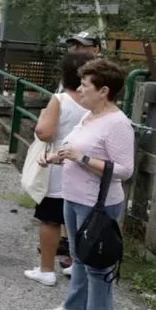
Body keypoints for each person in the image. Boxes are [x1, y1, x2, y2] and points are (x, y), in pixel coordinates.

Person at [38, 59, 134, 310]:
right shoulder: (89, 116)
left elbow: (124, 170)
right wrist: (56, 157)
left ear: (104, 90)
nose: (79, 90)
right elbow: (75, 147)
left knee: (97, 264)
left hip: (98, 203)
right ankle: (75, 308)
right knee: (79, 257)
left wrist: (81, 158)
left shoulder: (117, 123)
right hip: (74, 196)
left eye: (85, 85)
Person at [27, 52, 94, 286]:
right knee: (78, 220)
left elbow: (44, 132)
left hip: (58, 165)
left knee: (50, 219)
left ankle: (46, 268)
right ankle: (76, 264)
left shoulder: (61, 99)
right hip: (86, 167)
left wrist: (44, 116)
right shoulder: (95, 102)